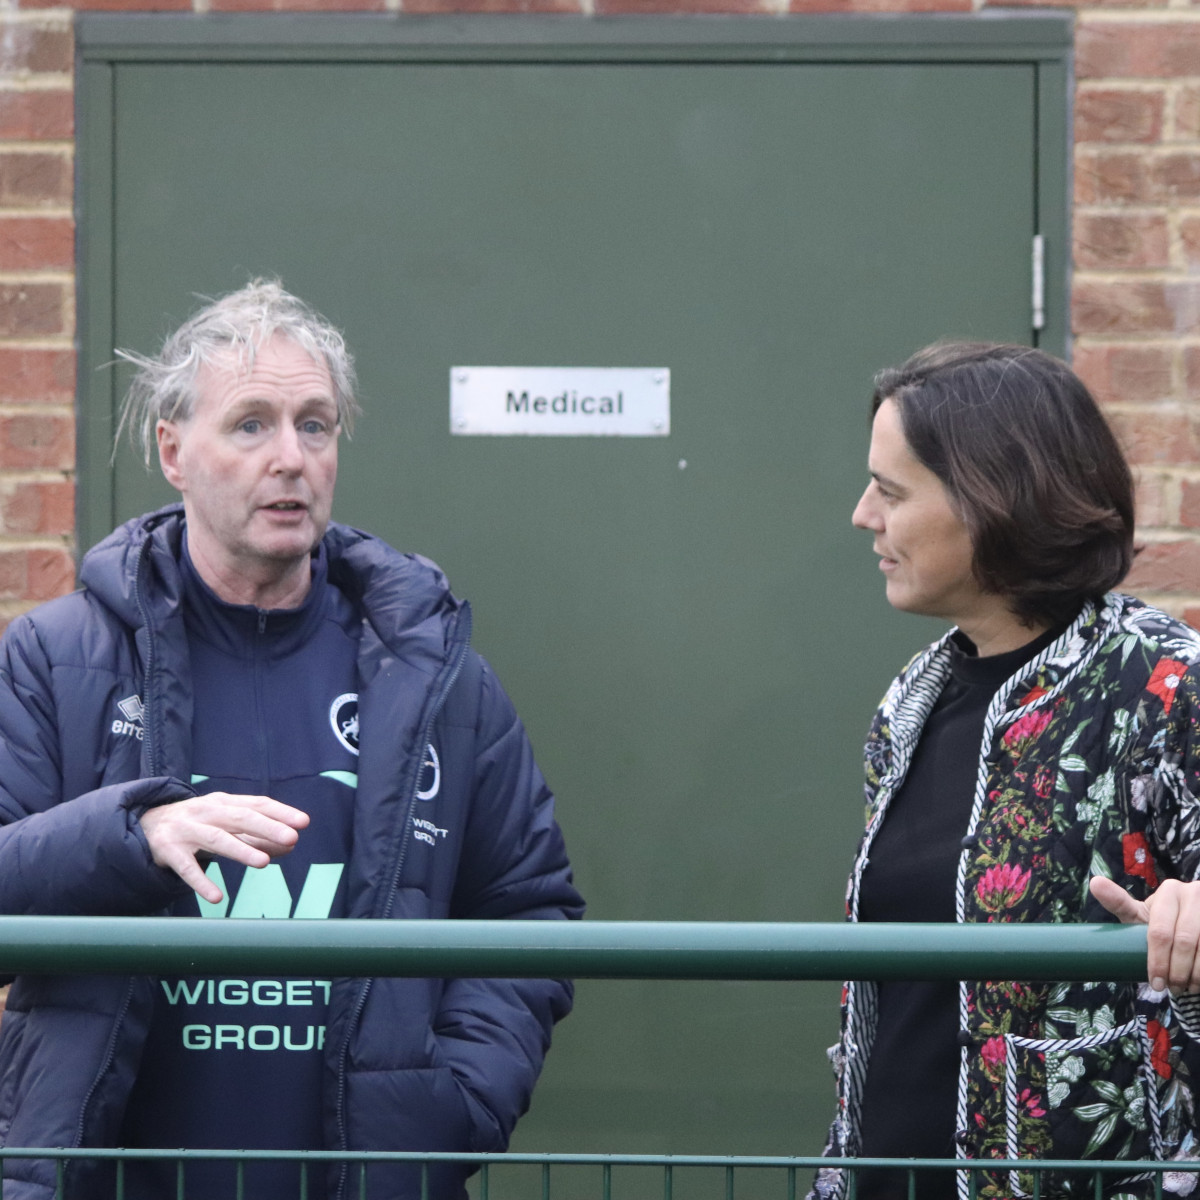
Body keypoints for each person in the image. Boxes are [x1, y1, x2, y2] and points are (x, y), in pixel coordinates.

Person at [0, 280, 584, 1200]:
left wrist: (455, 1103)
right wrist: (129, 835)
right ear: (173, 451)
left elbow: (528, 905)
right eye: (250, 425)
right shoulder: (55, 658)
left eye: (315, 425)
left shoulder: (432, 678)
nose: (291, 458)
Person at [813, 342, 1200, 1200]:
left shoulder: (1164, 687)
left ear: (992, 501)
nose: (862, 516)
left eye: (891, 491)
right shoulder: (911, 700)